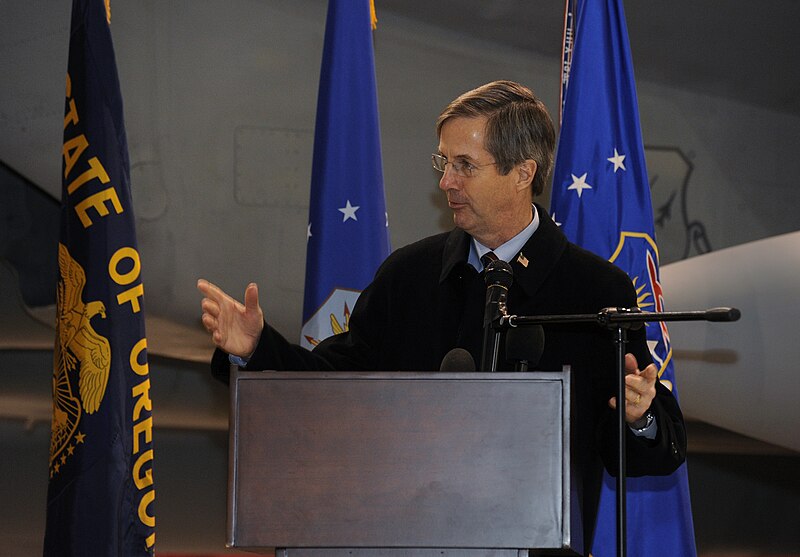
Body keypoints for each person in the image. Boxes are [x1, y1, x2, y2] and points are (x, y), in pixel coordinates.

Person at [198, 80, 686, 553]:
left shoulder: (596, 290)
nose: (445, 181)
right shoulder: (409, 275)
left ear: (522, 173)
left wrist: (638, 417)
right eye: (444, 162)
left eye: (465, 165)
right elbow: (332, 383)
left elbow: (652, 450)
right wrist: (256, 349)